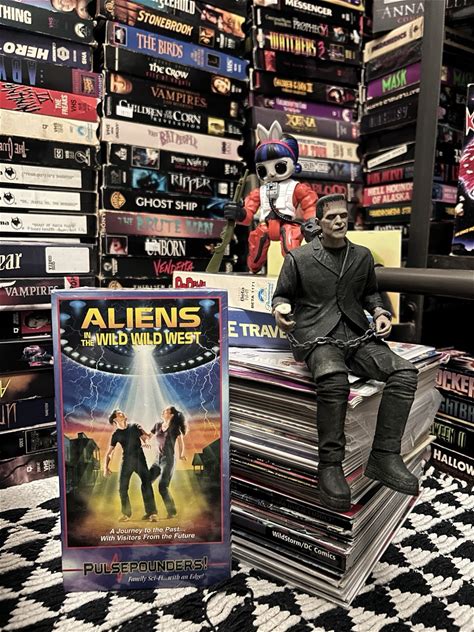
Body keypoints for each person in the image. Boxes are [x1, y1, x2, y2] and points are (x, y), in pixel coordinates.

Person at [272, 194, 419, 512]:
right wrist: (281, 311)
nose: (339, 221)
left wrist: (379, 312)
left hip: (356, 334)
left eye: (343, 216)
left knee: (405, 372)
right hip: (318, 336)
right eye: (331, 217)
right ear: (318, 223)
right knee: (333, 380)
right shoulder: (299, 259)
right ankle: (330, 464)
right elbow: (282, 295)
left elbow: (370, 293)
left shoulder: (362, 256)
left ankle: (385, 455)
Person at [223, 121, 317, 273]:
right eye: (263, 170)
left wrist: (311, 221)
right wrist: (239, 213)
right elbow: (248, 213)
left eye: (279, 167)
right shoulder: (260, 191)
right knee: (256, 247)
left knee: (291, 245)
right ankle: (253, 269)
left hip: (288, 224)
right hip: (265, 225)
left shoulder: (296, 187)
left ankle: (294, 273)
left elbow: (310, 203)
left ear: (293, 164)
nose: (271, 173)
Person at [103, 409, 158, 522]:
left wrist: (146, 443)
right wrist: (105, 467)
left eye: (122, 412)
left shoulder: (134, 427)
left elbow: (145, 438)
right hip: (127, 462)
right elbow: (109, 453)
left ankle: (152, 513)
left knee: (146, 484)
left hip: (140, 460)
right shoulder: (116, 434)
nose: (122, 413)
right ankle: (126, 514)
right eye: (119, 413)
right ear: (115, 419)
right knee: (122, 488)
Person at [149, 406, 187, 518]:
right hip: (157, 460)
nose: (163, 411)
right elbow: (148, 436)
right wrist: (142, 437)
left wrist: (181, 454)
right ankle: (151, 511)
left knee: (162, 487)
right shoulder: (157, 425)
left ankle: (172, 512)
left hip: (168, 460)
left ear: (171, 415)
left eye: (166, 411)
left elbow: (180, 442)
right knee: (146, 483)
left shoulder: (175, 428)